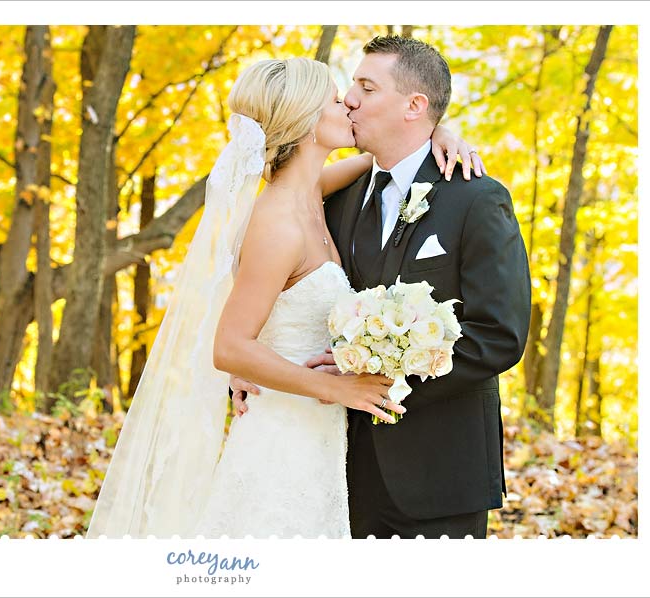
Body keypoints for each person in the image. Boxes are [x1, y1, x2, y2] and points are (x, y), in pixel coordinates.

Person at [86, 56, 481, 539]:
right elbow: (229, 347)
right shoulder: (277, 223)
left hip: (319, 438)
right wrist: (335, 389)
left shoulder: (311, 191)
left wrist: (438, 134)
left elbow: (393, 157)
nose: (349, 104)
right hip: (282, 438)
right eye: (336, 100)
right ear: (306, 120)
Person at [234, 37, 531, 539]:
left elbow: (499, 335)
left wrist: (382, 378)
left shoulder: (476, 198)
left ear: (414, 106)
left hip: (440, 473)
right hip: (338, 467)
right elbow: (268, 286)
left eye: (366, 87)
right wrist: (254, 361)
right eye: (350, 87)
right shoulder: (331, 195)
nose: (349, 99)